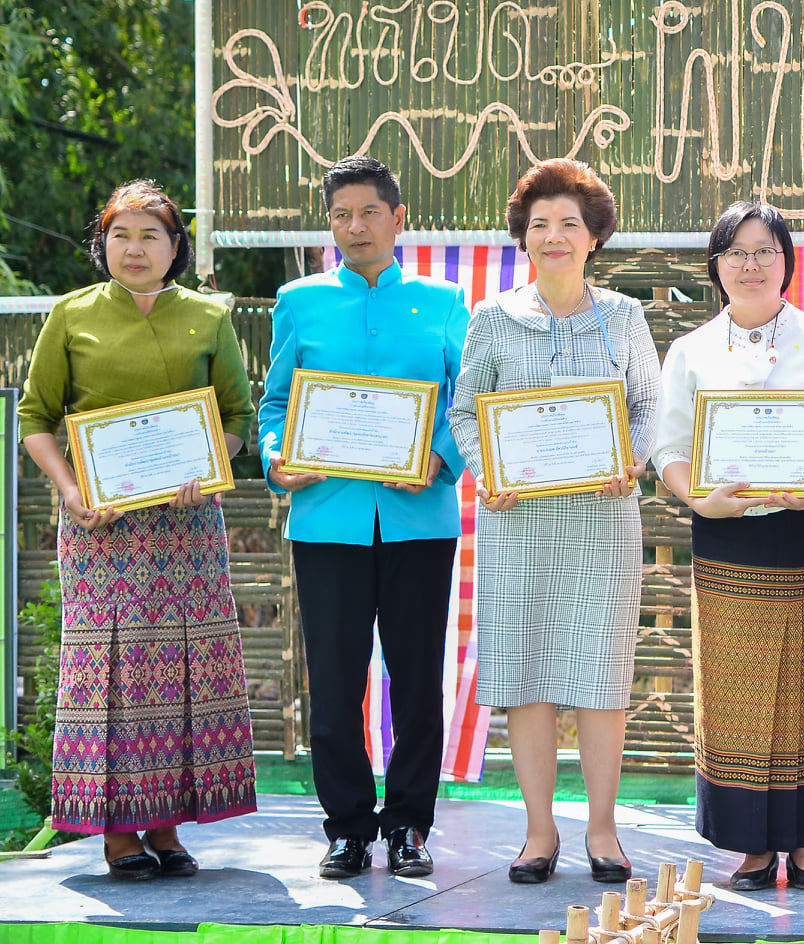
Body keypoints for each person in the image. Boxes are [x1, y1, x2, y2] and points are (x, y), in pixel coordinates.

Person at [19, 180, 258, 879]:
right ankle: (119, 833)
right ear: (103, 242)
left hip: (188, 524)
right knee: (114, 674)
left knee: (180, 670)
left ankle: (167, 824)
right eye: (121, 234)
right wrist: (69, 492)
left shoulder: (209, 318)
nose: (135, 247)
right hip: (102, 527)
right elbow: (35, 418)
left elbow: (238, 418)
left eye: (151, 235)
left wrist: (215, 462)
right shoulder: (70, 315)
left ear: (175, 247)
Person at [652, 200, 804, 892]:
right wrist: (700, 498)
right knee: (736, 693)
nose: (751, 265)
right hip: (727, 533)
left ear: (787, 261)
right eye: (736, 252)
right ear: (716, 266)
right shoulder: (691, 349)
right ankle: (750, 847)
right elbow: (667, 447)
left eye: (765, 251)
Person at [448, 158, 660, 885]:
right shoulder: (491, 318)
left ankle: (603, 831)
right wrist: (485, 472)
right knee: (526, 671)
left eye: (569, 223)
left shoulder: (625, 317)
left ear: (594, 236)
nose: (554, 236)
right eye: (540, 225)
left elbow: (648, 407)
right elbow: (465, 411)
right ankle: (539, 834)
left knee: (600, 675)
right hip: (518, 521)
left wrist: (630, 460)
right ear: (524, 239)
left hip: (603, 518)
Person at [257, 156, 469, 879]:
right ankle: (347, 827)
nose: (355, 226)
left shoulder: (443, 300)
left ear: (399, 217)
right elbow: (276, 404)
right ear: (330, 223)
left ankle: (409, 824)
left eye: (369, 211)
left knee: (416, 682)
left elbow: (465, 399)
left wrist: (440, 455)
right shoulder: (298, 300)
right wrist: (274, 456)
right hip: (326, 520)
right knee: (336, 680)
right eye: (341, 214)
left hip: (420, 518)